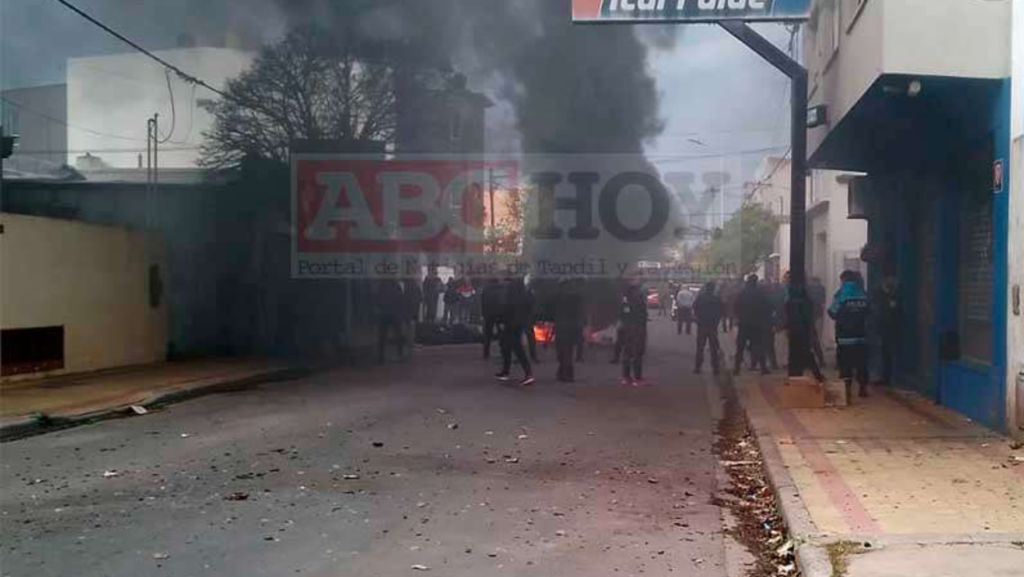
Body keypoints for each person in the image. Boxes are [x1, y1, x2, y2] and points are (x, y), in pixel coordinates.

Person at [829, 270, 871, 397]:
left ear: (844, 280)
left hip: (844, 337)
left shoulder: (840, 294)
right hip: (861, 336)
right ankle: (862, 389)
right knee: (861, 363)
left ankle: (846, 392)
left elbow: (832, 312)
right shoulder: (863, 293)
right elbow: (870, 312)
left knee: (845, 364)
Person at [496, 277, 535, 386]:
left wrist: (501, 322)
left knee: (513, 349)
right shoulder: (526, 295)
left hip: (509, 325)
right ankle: (506, 372)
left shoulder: (510, 295)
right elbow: (530, 308)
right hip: (518, 324)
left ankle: (528, 374)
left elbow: (505, 309)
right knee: (510, 349)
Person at [734, 274, 770, 375]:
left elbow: (736, 307)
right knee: (759, 346)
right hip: (756, 324)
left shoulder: (742, 293)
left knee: (740, 347)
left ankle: (736, 369)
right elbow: (766, 308)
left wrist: (739, 317)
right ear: (756, 282)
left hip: (744, 324)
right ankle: (763, 368)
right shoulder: (760, 293)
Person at [553, 279, 585, 383]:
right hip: (570, 328)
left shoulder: (559, 297)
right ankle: (565, 374)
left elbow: (552, 312)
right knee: (567, 352)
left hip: (563, 328)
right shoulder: (577, 297)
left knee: (563, 352)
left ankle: (565, 374)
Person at [871, 274, 899, 387]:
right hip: (880, 327)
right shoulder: (878, 294)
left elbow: (894, 311)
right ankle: (882, 377)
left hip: (889, 328)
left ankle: (886, 377)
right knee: (881, 353)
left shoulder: (894, 294)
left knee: (887, 353)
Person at [619, 283, 649, 386]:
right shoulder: (639, 300)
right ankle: (637, 378)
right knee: (638, 353)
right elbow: (644, 315)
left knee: (627, 352)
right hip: (638, 328)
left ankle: (626, 377)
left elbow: (623, 314)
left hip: (627, 328)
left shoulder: (625, 301)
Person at [693, 281, 724, 375]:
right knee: (714, 349)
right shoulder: (717, 299)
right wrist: (716, 322)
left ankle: (697, 368)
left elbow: (694, 307)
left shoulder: (700, 298)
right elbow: (721, 312)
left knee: (700, 348)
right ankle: (715, 369)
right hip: (712, 326)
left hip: (702, 325)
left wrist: (698, 317)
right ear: (713, 289)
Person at [375, 279, 406, 364]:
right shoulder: (396, 285)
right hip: (394, 313)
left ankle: (380, 356)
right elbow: (401, 299)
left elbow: (377, 298)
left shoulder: (382, 285)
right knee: (398, 334)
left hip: (385, 313)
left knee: (382, 335)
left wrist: (379, 308)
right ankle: (400, 354)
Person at [481, 278, 505, 360]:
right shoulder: (502, 289)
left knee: (487, 335)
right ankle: (503, 351)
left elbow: (482, 303)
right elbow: (504, 303)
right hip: (500, 315)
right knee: (501, 334)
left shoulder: (486, 290)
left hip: (488, 315)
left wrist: (483, 314)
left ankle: (486, 353)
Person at [807, 276, 828, 368]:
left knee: (809, 340)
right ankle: (821, 360)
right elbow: (823, 301)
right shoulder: (822, 288)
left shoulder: (808, 288)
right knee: (816, 339)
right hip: (818, 314)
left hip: (808, 316)